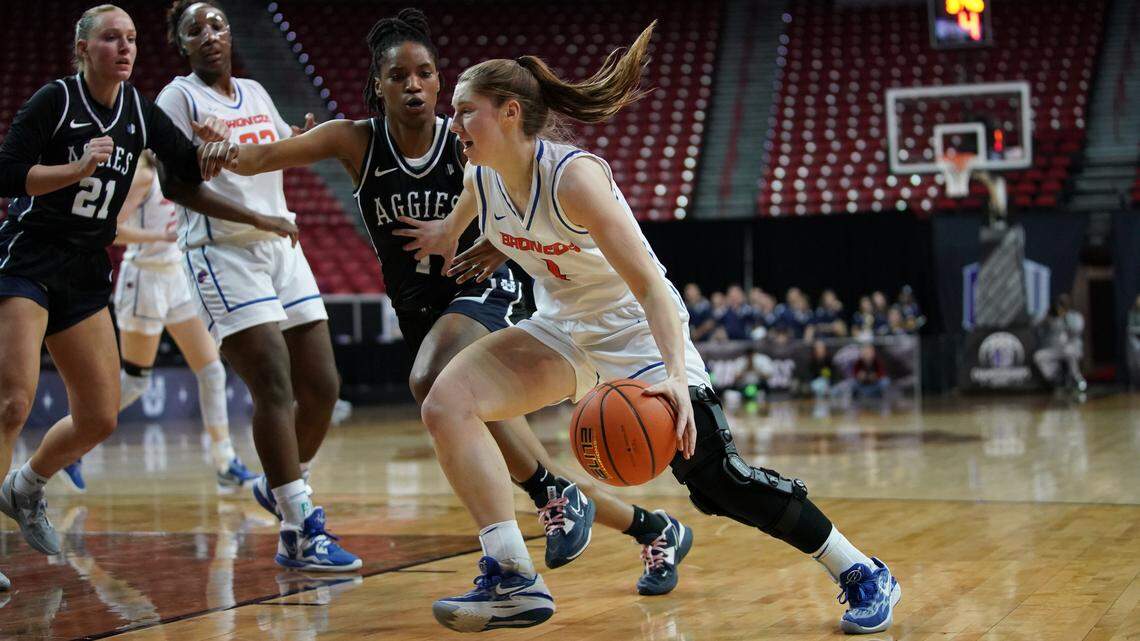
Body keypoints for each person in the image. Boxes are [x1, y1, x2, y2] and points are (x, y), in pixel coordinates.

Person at [390, 23, 900, 634]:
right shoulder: (482, 175)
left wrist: (677, 381)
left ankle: (862, 570)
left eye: (464, 112)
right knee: (447, 402)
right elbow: (475, 213)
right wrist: (461, 239)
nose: (453, 125)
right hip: (563, 330)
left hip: (639, 334)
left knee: (715, 480)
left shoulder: (575, 179)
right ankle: (512, 577)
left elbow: (655, 287)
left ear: (509, 112)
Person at [213, 8, 690, 592]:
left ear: (440, 82)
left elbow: (519, 199)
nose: (413, 84)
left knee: (430, 382)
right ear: (379, 83)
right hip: (421, 311)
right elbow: (260, 159)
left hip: (481, 296)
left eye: (425, 73)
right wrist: (214, 152)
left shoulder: (467, 139)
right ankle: (649, 527)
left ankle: (546, 510)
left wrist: (492, 244)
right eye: (398, 75)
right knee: (502, 444)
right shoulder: (354, 140)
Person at [0, 4, 286, 591]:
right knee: (12, 402)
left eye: (131, 38)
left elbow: (185, 169)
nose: (125, 48)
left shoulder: (139, 110)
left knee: (101, 415)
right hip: (29, 258)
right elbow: (6, 174)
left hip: (84, 270)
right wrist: (73, 168)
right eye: (111, 38)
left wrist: (215, 148)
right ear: (84, 48)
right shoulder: (55, 100)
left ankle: (26, 486)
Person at [158, 0, 355, 571]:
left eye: (217, 25)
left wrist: (300, 138)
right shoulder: (179, 99)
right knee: (271, 382)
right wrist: (255, 216)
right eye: (196, 30)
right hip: (220, 252)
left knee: (322, 386)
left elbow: (271, 153)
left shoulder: (255, 90)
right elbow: (177, 186)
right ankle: (298, 527)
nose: (210, 35)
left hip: (277, 245)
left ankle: (280, 483)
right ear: (183, 44)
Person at [57, 152, 258, 495]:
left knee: (212, 371)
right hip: (144, 282)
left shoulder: (180, 172)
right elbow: (112, 230)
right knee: (135, 383)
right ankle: (69, 448)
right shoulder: (143, 177)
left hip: (177, 279)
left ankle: (225, 463)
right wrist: (159, 239)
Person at [1033, 293, 1086, 395]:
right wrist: (1046, 317)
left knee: (1070, 351)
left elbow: (1077, 330)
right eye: (1059, 305)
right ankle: (1055, 380)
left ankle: (1077, 379)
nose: (1060, 307)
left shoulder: (1074, 316)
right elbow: (1035, 326)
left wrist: (1065, 317)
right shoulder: (1050, 317)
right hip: (1054, 350)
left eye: (1063, 304)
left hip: (1070, 349)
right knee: (1038, 356)